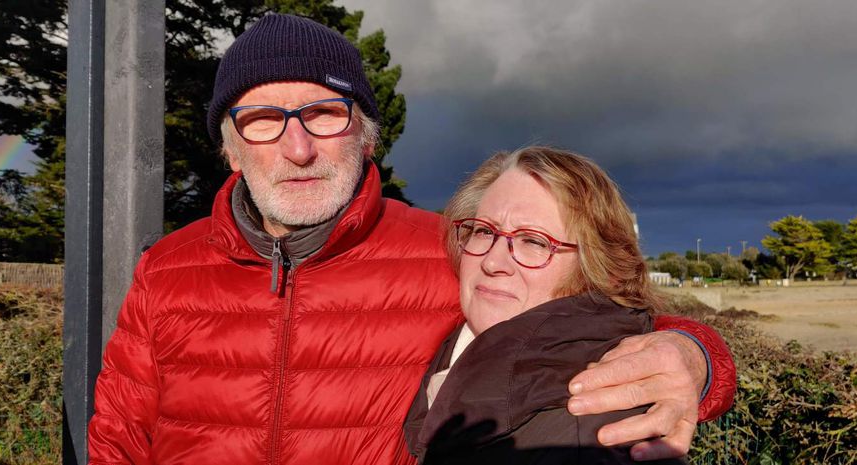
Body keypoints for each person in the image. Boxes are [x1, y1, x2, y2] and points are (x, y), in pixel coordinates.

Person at [87, 13, 735, 465]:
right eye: (262, 119)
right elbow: (118, 434)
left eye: (323, 112)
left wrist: (697, 356)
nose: (299, 146)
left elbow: (579, 320)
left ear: (365, 133)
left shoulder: (450, 251)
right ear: (231, 150)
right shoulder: (166, 268)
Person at [404, 146, 689, 464]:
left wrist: (697, 352)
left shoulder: (596, 434)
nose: (493, 261)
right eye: (484, 231)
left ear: (598, 269)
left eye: (534, 241)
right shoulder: (453, 352)